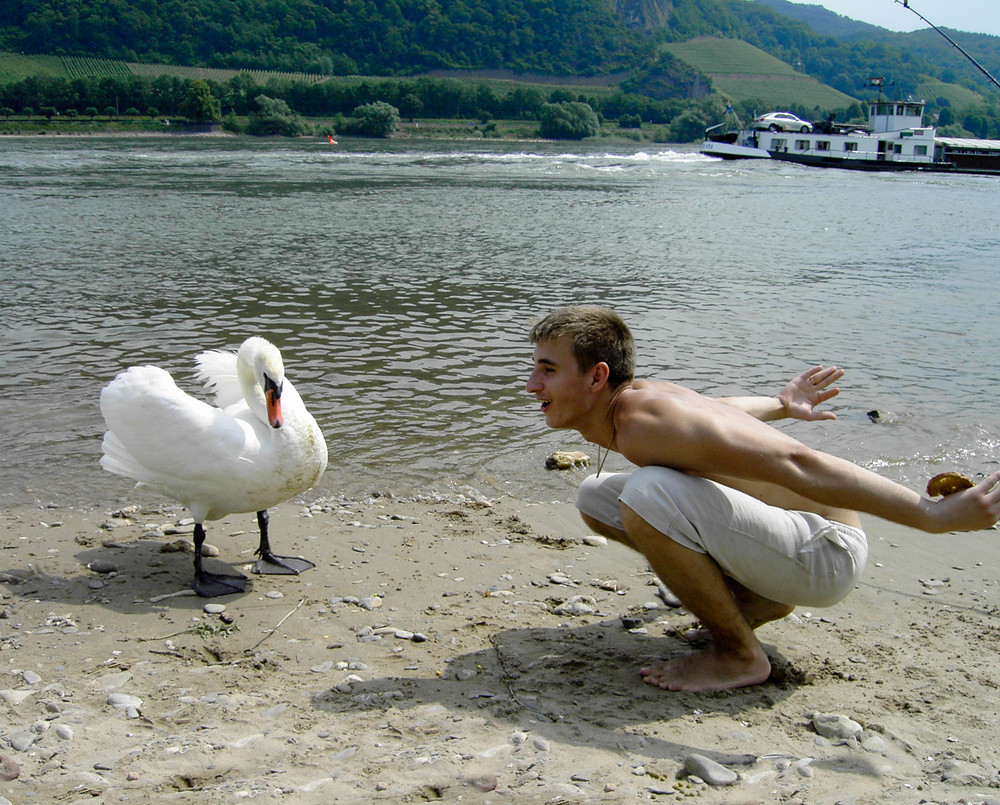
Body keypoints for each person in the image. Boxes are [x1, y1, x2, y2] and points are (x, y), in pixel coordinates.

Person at [526, 305, 1000, 692]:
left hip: (825, 552)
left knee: (648, 493)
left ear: (596, 377)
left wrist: (932, 516)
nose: (532, 385)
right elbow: (720, 414)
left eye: (548, 370)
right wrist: (780, 404)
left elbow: (800, 462)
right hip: (787, 539)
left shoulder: (646, 422)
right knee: (597, 495)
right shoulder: (639, 401)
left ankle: (738, 656)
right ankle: (755, 601)